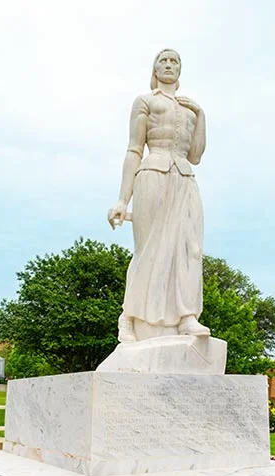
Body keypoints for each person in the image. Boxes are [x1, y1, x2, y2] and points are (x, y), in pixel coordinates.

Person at [107, 49, 210, 343]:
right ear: (154, 69)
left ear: (180, 70)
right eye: (163, 61)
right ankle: (128, 318)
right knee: (149, 249)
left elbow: (196, 155)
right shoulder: (145, 101)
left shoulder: (191, 108)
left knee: (190, 249)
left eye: (174, 61)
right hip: (152, 174)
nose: (168, 65)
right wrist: (122, 200)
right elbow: (134, 149)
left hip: (185, 177)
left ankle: (187, 316)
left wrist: (201, 115)